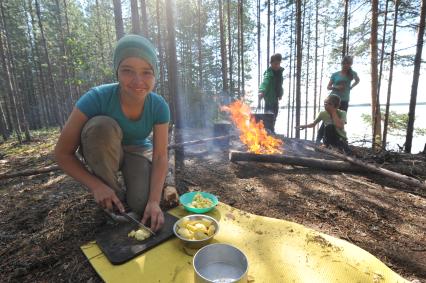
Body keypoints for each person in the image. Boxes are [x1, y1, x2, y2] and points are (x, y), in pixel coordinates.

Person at [54, 34, 170, 232]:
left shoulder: (158, 106)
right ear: (117, 71)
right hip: (103, 149)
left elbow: (159, 156)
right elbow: (62, 153)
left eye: (147, 72)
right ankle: (112, 199)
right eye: (127, 71)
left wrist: (154, 201)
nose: (138, 80)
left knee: (142, 204)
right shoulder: (96, 98)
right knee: (101, 127)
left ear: (155, 75)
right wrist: (96, 186)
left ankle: (133, 201)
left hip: (137, 151)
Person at [258, 53, 284, 133]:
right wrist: (261, 91)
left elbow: (279, 85)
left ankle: (271, 131)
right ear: (271, 63)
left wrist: (280, 94)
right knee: (268, 117)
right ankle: (268, 132)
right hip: (269, 99)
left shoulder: (279, 73)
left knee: (274, 116)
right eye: (275, 64)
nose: (277, 65)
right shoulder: (269, 73)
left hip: (275, 99)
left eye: (278, 64)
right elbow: (265, 82)